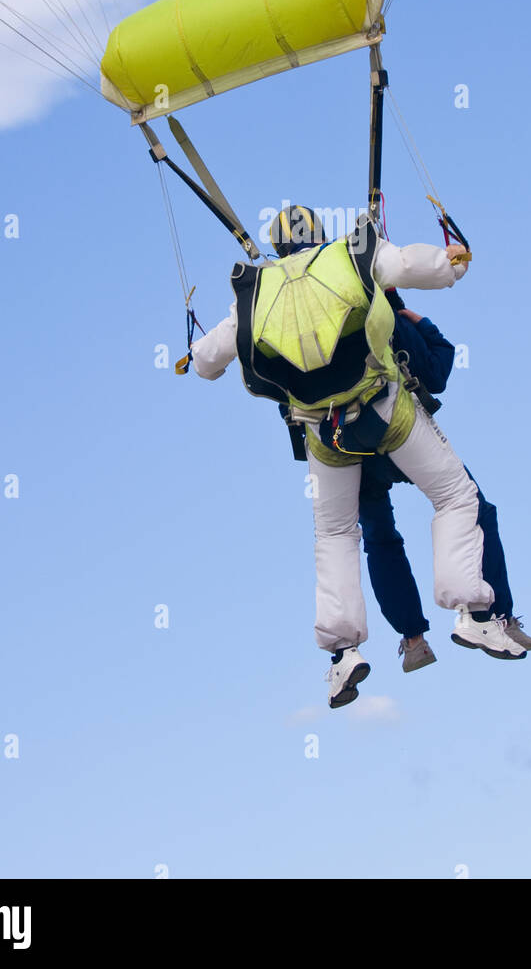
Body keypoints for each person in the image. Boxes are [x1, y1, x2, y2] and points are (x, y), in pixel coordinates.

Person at [191, 204, 497, 708]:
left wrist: (201, 355)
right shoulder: (350, 255)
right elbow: (414, 268)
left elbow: (206, 361)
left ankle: (343, 652)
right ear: (319, 234)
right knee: (455, 496)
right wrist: (453, 263)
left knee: (335, 535)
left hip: (324, 435)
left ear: (277, 246)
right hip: (386, 409)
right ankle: (468, 612)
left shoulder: (255, 290)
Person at [355, 289, 531, 671]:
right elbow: (436, 372)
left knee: (379, 538)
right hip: (405, 431)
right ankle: (496, 614)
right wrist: (410, 315)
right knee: (471, 505)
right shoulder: (385, 317)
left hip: (345, 445)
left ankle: (414, 640)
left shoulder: (295, 325)